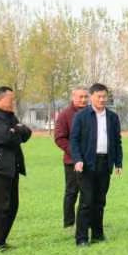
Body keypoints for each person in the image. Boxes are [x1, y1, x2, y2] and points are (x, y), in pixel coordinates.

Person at [70, 83, 123, 247]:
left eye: (104, 96)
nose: (102, 99)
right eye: (99, 96)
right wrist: (78, 159)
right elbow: (74, 140)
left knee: (100, 201)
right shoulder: (82, 116)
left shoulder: (113, 118)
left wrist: (118, 162)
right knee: (87, 201)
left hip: (105, 163)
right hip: (86, 165)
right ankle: (82, 238)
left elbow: (117, 141)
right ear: (91, 97)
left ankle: (98, 234)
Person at [0, 86, 32, 250]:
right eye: (11, 99)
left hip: (12, 167)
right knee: (1, 206)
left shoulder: (10, 116)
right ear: (0, 99)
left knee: (13, 206)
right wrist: (16, 130)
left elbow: (26, 133)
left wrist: (15, 129)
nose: (14, 102)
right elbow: (4, 138)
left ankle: (1, 241)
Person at [54, 86, 89, 228]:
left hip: (92, 160)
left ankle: (88, 221)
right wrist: (76, 154)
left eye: (85, 97)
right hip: (72, 161)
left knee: (89, 192)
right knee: (72, 192)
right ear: (73, 97)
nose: (83, 100)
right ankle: (69, 223)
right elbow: (59, 138)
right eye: (80, 97)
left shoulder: (92, 113)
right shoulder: (65, 115)